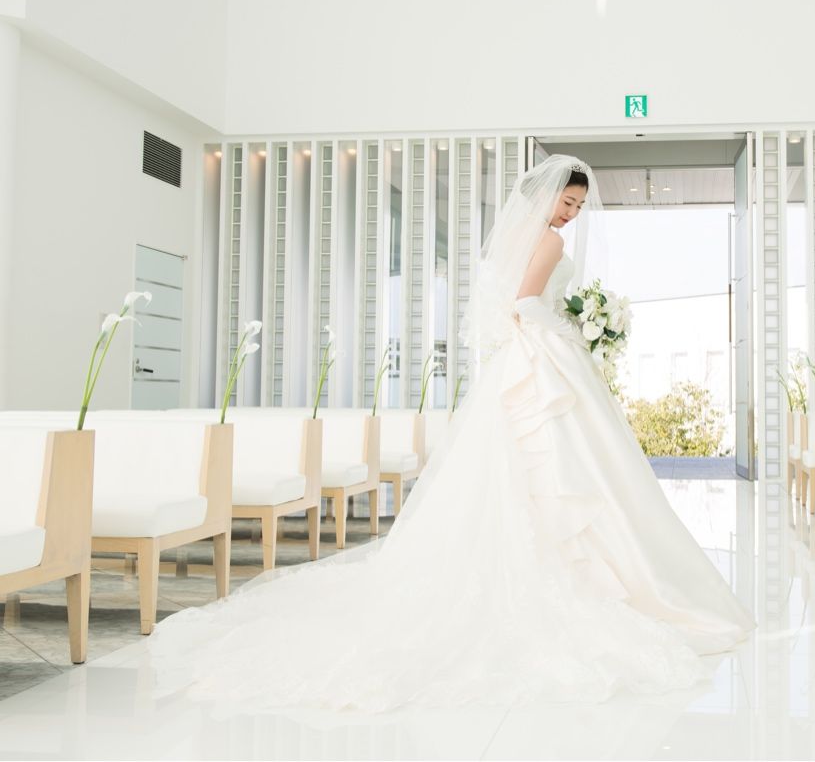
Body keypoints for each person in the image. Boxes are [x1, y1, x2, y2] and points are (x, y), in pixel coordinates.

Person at [148, 155, 755, 711]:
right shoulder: (546, 241)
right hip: (542, 359)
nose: (570, 213)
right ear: (545, 197)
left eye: (576, 205)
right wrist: (579, 332)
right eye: (566, 202)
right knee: (564, 466)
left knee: (534, 469)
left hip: (522, 363)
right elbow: (527, 305)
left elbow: (511, 302)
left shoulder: (525, 238)